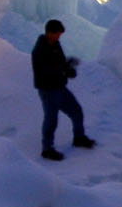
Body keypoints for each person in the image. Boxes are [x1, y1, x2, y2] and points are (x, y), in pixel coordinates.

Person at [31, 19, 96, 160]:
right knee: (51, 119)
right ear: (49, 32)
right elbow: (45, 70)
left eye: (60, 34)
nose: (59, 36)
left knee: (77, 111)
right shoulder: (39, 50)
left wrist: (68, 66)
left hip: (59, 87)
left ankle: (79, 138)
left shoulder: (55, 45)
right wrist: (64, 71)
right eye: (57, 34)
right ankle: (47, 149)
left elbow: (58, 64)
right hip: (48, 90)